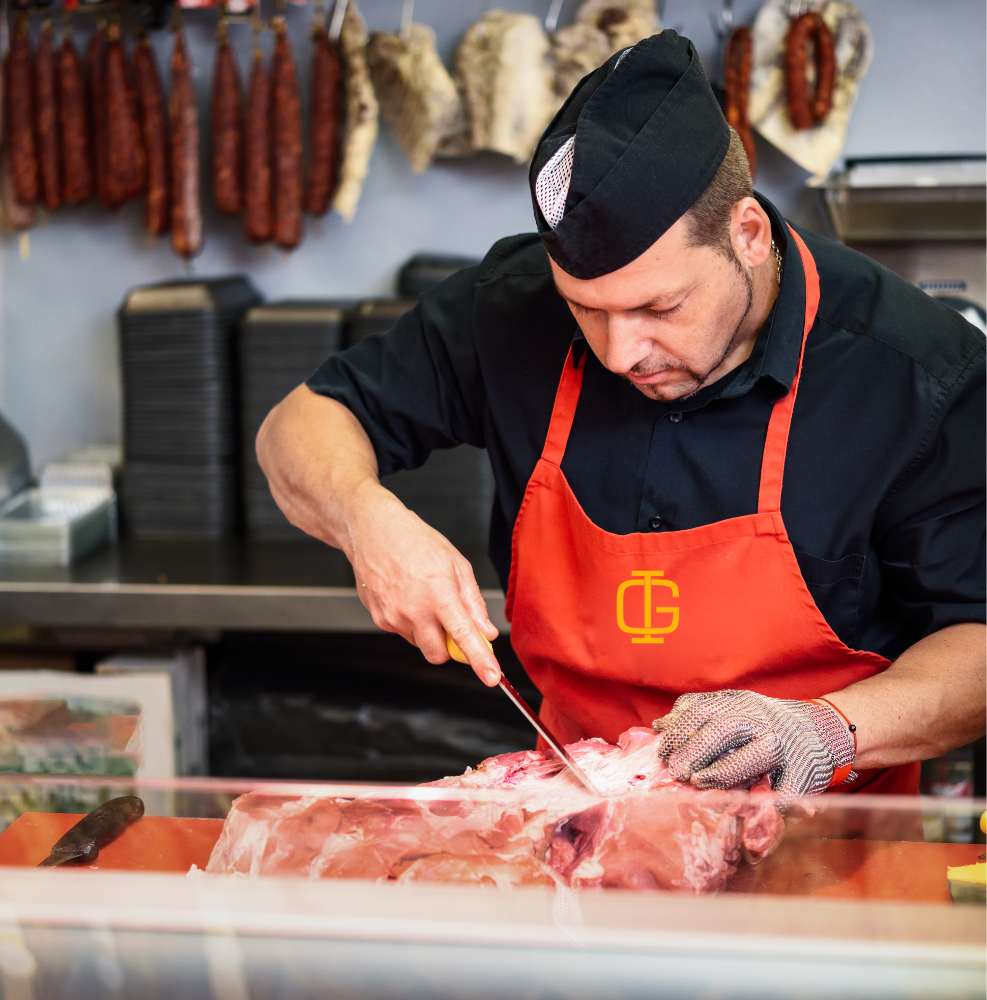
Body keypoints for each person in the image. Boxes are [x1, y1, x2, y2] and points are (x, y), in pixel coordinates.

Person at [258, 32, 985, 797]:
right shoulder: (511, 309)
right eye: (586, 310)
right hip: (584, 839)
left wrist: (824, 727)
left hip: (830, 853)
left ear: (748, 235)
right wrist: (366, 521)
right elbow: (297, 427)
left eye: (658, 306)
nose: (619, 352)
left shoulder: (913, 372)